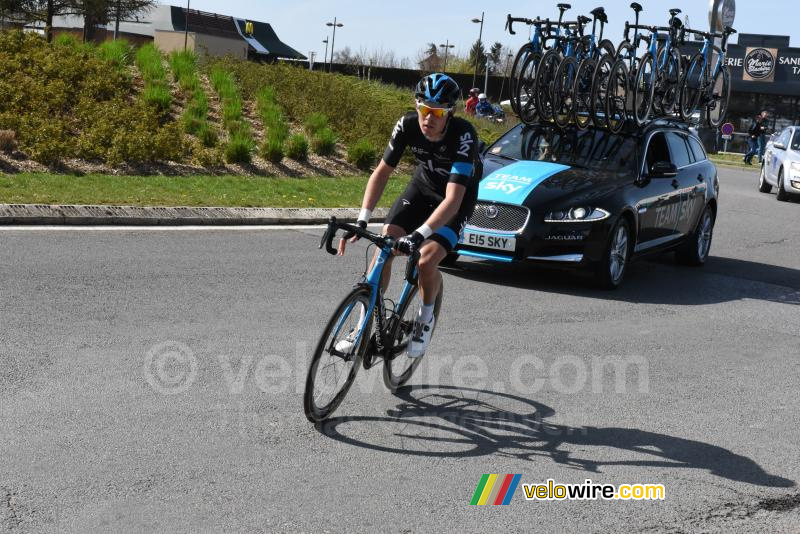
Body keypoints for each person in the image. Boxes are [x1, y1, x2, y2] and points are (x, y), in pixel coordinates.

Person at [336, 73, 479, 358]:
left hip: (455, 199)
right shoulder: (407, 125)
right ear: (417, 107)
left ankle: (425, 319)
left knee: (426, 261)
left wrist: (418, 236)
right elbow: (382, 173)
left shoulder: (464, 135)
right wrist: (362, 219)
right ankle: (362, 327)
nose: (429, 118)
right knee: (385, 246)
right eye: (424, 109)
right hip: (423, 187)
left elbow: (452, 200)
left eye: (438, 112)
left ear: (449, 113)